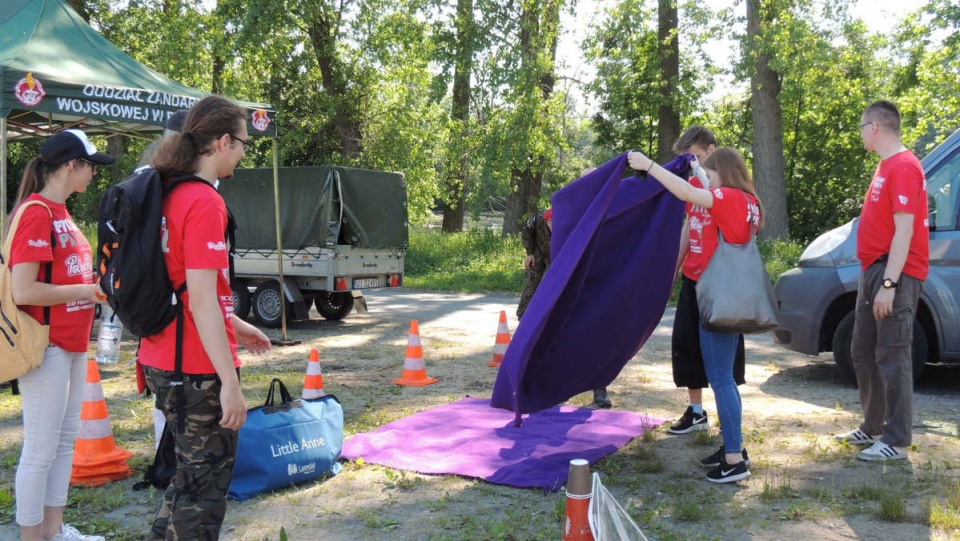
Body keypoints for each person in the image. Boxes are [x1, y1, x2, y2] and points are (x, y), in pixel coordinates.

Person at [139, 95, 271, 540]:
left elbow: (187, 287)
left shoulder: (166, 192)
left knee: (187, 484)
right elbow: (199, 300)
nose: (244, 152)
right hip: (195, 367)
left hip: (160, 356)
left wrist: (239, 324)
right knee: (204, 493)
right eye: (242, 143)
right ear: (220, 142)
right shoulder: (204, 202)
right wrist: (230, 384)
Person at [628, 146, 761, 483]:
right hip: (722, 292)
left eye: (711, 176)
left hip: (716, 294)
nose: (708, 183)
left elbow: (688, 191)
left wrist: (649, 166)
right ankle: (735, 448)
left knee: (720, 378)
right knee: (722, 377)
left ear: (725, 175)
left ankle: (734, 458)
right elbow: (696, 192)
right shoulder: (746, 200)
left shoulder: (730, 198)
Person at [9, 129, 115, 541]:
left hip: (72, 343)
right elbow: (24, 290)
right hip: (45, 345)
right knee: (39, 448)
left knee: (65, 442)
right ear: (72, 166)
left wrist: (92, 285)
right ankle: (32, 537)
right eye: (91, 166)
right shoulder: (37, 211)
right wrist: (85, 290)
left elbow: (64, 273)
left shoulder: (62, 212)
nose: (94, 174)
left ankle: (53, 532)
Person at [835, 100, 928, 462]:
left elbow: (904, 230)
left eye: (861, 126)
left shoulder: (904, 165)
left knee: (893, 355)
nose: (860, 133)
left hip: (896, 272)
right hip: (874, 269)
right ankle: (872, 427)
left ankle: (897, 440)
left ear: (875, 127)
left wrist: (890, 284)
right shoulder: (885, 166)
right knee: (862, 350)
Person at [665, 127, 747, 435]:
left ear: (711, 151)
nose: (691, 164)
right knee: (686, 345)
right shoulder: (697, 185)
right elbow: (690, 223)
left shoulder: (727, 190)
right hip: (694, 276)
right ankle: (696, 410)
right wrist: (677, 264)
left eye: (696, 157)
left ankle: (732, 445)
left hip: (719, 285)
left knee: (721, 365)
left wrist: (649, 167)